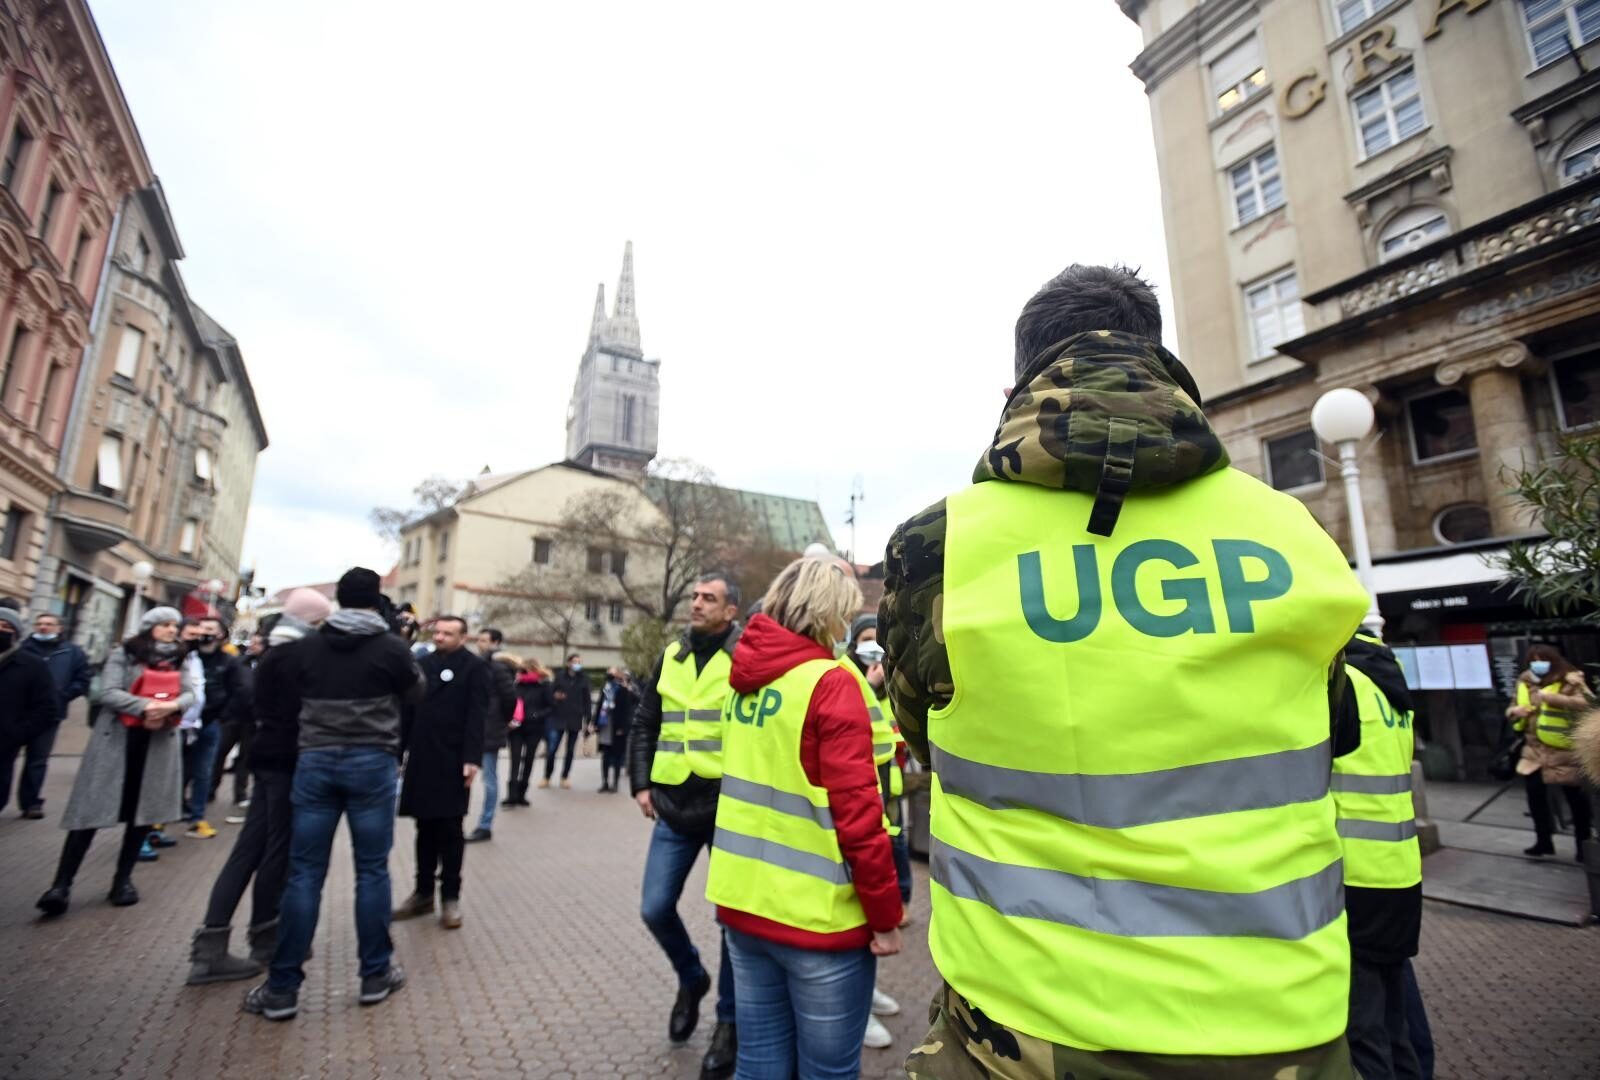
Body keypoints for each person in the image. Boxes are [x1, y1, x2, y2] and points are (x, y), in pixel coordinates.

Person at [883, 264, 1370, 1078]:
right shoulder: (1288, 529)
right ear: (1160, 357)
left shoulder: (939, 546)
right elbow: (1334, 729)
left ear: (1021, 380)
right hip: (1282, 1025)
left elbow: (928, 741)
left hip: (1027, 1029)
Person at [705, 557, 903, 1080]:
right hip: (819, 918)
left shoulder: (742, 679)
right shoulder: (830, 681)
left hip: (743, 904)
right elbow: (859, 817)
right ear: (831, 613)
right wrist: (884, 916)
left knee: (760, 1064)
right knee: (828, 1073)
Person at [243, 568, 423, 1022]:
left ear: (339, 600)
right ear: (376, 599)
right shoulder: (391, 648)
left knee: (304, 873)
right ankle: (374, 974)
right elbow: (416, 692)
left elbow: (281, 696)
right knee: (371, 870)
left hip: (316, 762)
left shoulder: (308, 647)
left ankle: (283, 988)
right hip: (372, 764)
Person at [186, 589, 333, 985]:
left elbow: (251, 704)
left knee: (248, 849)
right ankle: (264, 937)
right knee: (276, 850)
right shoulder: (304, 656)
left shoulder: (271, 653)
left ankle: (212, 942)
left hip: (265, 758)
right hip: (287, 761)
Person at [629, 572, 743, 1080]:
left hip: (726, 806)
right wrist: (639, 782)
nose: (696, 604)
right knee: (655, 908)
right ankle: (692, 977)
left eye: (708, 598)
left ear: (731, 611)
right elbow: (645, 721)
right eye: (695, 596)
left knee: (732, 921)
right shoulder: (671, 655)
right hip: (673, 802)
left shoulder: (744, 658)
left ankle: (728, 1023)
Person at [36, 607, 198, 916]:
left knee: (142, 814)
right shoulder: (125, 653)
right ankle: (61, 885)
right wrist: (146, 706)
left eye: (173, 626)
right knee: (91, 811)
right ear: (150, 627)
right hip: (118, 741)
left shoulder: (181, 657)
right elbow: (108, 692)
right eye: (165, 625)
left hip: (156, 744)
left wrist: (173, 705)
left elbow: (190, 694)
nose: (171, 630)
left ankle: (122, 880)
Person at [1335, 634, 1424, 1080]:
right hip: (1400, 874)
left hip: (1353, 876)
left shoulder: (1340, 683)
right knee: (1396, 1020)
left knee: (1364, 1029)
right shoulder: (1388, 686)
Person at [394, 616, 488, 929]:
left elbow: (477, 716)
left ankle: (450, 896)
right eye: (437, 632)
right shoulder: (422, 663)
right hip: (422, 756)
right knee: (425, 828)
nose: (440, 637)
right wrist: (398, 751)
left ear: (463, 637)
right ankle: (422, 893)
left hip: (454, 759)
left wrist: (472, 758)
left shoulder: (474, 668)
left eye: (448, 633)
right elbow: (407, 709)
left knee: (450, 829)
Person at [842, 613, 907, 1052]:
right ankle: (855, 1010)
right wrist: (869, 686)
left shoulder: (891, 687)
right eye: (864, 640)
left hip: (889, 809)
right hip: (861, 810)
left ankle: (866, 993)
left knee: (883, 904)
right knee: (857, 914)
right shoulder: (850, 681)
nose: (872, 648)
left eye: (876, 641)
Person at [1507, 644, 1593, 860]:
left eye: (1542, 659)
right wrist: (1514, 712)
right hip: (1533, 749)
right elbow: (1512, 707)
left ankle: (1584, 845)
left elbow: (1587, 703)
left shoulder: (1569, 679)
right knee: (1535, 798)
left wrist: (1550, 698)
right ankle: (1543, 842)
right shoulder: (1524, 682)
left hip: (1563, 749)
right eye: (1533, 660)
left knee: (1575, 800)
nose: (1538, 664)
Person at [15, 611, 91, 818]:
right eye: (39, 623)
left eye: (49, 624)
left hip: (50, 714)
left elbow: (83, 679)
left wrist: (63, 696)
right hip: (18, 713)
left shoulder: (72, 652)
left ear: (59, 628)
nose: (43, 627)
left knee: (37, 760)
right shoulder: (22, 648)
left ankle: (31, 803)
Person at [180, 616, 246, 840]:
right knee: (177, 770)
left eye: (209, 629)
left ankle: (197, 817)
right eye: (201, 628)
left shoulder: (228, 661)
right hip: (181, 723)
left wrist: (221, 716)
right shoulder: (186, 656)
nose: (203, 633)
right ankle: (166, 814)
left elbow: (238, 690)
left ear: (220, 635)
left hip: (210, 723)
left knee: (203, 771)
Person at [1, 608, 61, 821]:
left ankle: (30, 800)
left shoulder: (31, 665)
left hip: (6, 739)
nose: (2, 630)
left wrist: (18, 732)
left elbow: (47, 707)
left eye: (7, 627)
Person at [467, 627, 516, 842]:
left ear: (495, 642)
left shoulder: (498, 668)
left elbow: (509, 699)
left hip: (489, 731)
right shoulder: (476, 665)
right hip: (472, 729)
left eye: (484, 640)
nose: (480, 644)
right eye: (479, 640)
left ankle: (485, 824)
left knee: (489, 779)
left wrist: (500, 722)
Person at [210, 627, 262, 816]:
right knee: (219, 752)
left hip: (253, 720)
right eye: (253, 642)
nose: (254, 646)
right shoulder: (238, 662)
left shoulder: (268, 663)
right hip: (233, 716)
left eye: (258, 643)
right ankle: (210, 789)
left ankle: (240, 794)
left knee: (245, 758)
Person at [540, 652, 590, 789]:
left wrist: (588, 719)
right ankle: (547, 776)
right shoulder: (560, 677)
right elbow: (550, 694)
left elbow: (587, 700)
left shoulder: (584, 679)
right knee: (552, 748)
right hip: (559, 716)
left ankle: (565, 776)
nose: (577, 665)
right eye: (575, 662)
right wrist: (556, 697)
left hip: (575, 717)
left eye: (579, 662)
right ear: (568, 663)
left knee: (570, 750)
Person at [505, 659, 550, 806]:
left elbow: (551, 707)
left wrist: (537, 715)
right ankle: (511, 795)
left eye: (524, 670)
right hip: (516, 729)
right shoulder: (516, 685)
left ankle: (522, 794)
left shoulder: (543, 687)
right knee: (515, 760)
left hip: (534, 729)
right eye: (520, 670)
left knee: (529, 760)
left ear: (533, 670)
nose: (521, 673)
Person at [597, 667, 638, 793]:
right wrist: (593, 723)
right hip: (605, 726)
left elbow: (627, 710)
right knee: (605, 756)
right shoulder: (606, 689)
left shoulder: (624, 690)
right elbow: (599, 706)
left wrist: (623, 728)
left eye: (612, 673)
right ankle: (605, 782)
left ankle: (615, 783)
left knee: (616, 757)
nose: (610, 675)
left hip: (618, 728)